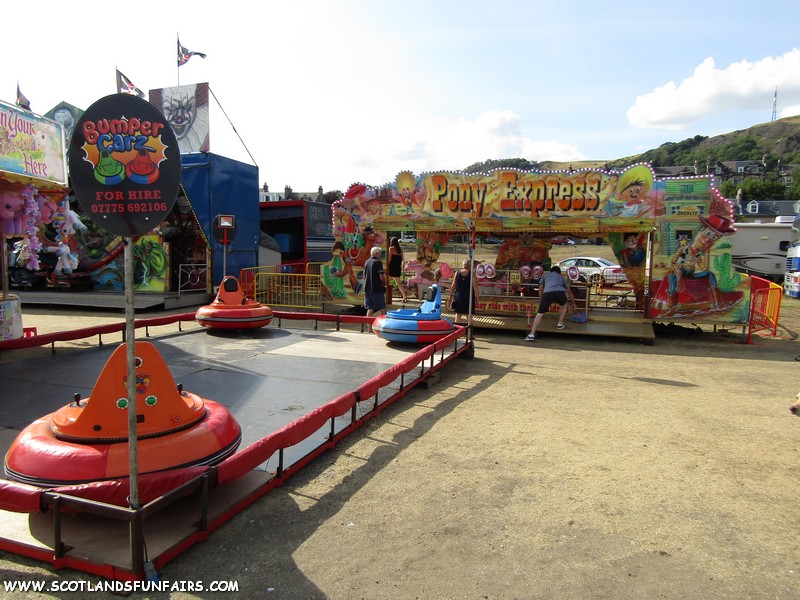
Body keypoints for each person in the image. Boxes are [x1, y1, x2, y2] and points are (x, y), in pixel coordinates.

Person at [525, 266, 575, 342]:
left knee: (540, 314)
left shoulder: (545, 275)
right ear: (559, 272)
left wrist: (542, 299)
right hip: (560, 293)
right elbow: (569, 291)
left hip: (547, 293)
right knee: (564, 305)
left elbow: (540, 288)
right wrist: (573, 303)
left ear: (551, 271)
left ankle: (531, 334)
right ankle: (560, 324)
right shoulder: (561, 277)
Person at [448, 258, 479, 325]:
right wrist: (477, 297)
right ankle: (469, 331)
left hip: (458, 296)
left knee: (458, 314)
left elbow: (453, 285)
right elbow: (475, 286)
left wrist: (450, 295)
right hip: (468, 296)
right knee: (469, 315)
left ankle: (457, 330)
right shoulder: (472, 274)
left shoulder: (457, 273)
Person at [363, 246, 387, 319]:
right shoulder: (378, 263)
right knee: (382, 308)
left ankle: (369, 329)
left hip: (367, 288)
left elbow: (364, 276)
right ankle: (382, 325)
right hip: (376, 288)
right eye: (380, 253)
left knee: (370, 309)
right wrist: (384, 283)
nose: (380, 255)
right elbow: (381, 277)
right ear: (377, 253)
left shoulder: (367, 262)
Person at [387, 237, 408, 303]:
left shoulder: (391, 249)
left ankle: (386, 297)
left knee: (388, 282)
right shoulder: (400, 250)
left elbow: (389, 259)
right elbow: (401, 259)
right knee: (399, 283)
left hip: (391, 267)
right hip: (397, 267)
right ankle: (404, 297)